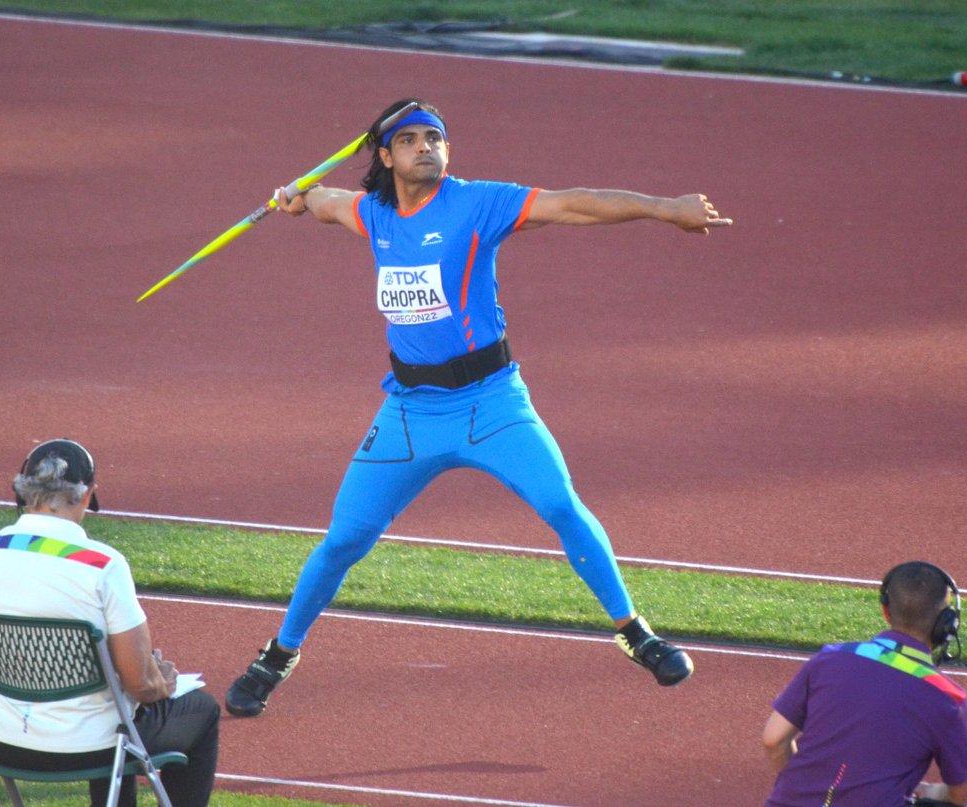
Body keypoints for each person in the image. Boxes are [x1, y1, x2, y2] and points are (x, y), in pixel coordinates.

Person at [225, 97, 733, 718]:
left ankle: (635, 632)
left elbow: (574, 203)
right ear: (385, 156)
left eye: (434, 137)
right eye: (409, 140)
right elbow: (329, 202)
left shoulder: (476, 204)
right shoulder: (374, 214)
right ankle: (279, 653)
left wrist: (666, 209)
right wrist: (298, 197)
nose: (425, 147)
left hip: (492, 404)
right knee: (344, 539)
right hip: (410, 414)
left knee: (559, 504)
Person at [0, 439, 220, 807]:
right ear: (86, 495)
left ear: (23, 492)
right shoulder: (102, 565)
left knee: (113, 710)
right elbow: (141, 684)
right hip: (91, 747)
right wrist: (160, 681)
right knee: (199, 710)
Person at [761, 561, 967, 807]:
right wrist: (929, 790)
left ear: (886, 611)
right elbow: (961, 796)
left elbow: (773, 740)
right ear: (947, 625)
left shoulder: (830, 657)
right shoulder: (949, 698)